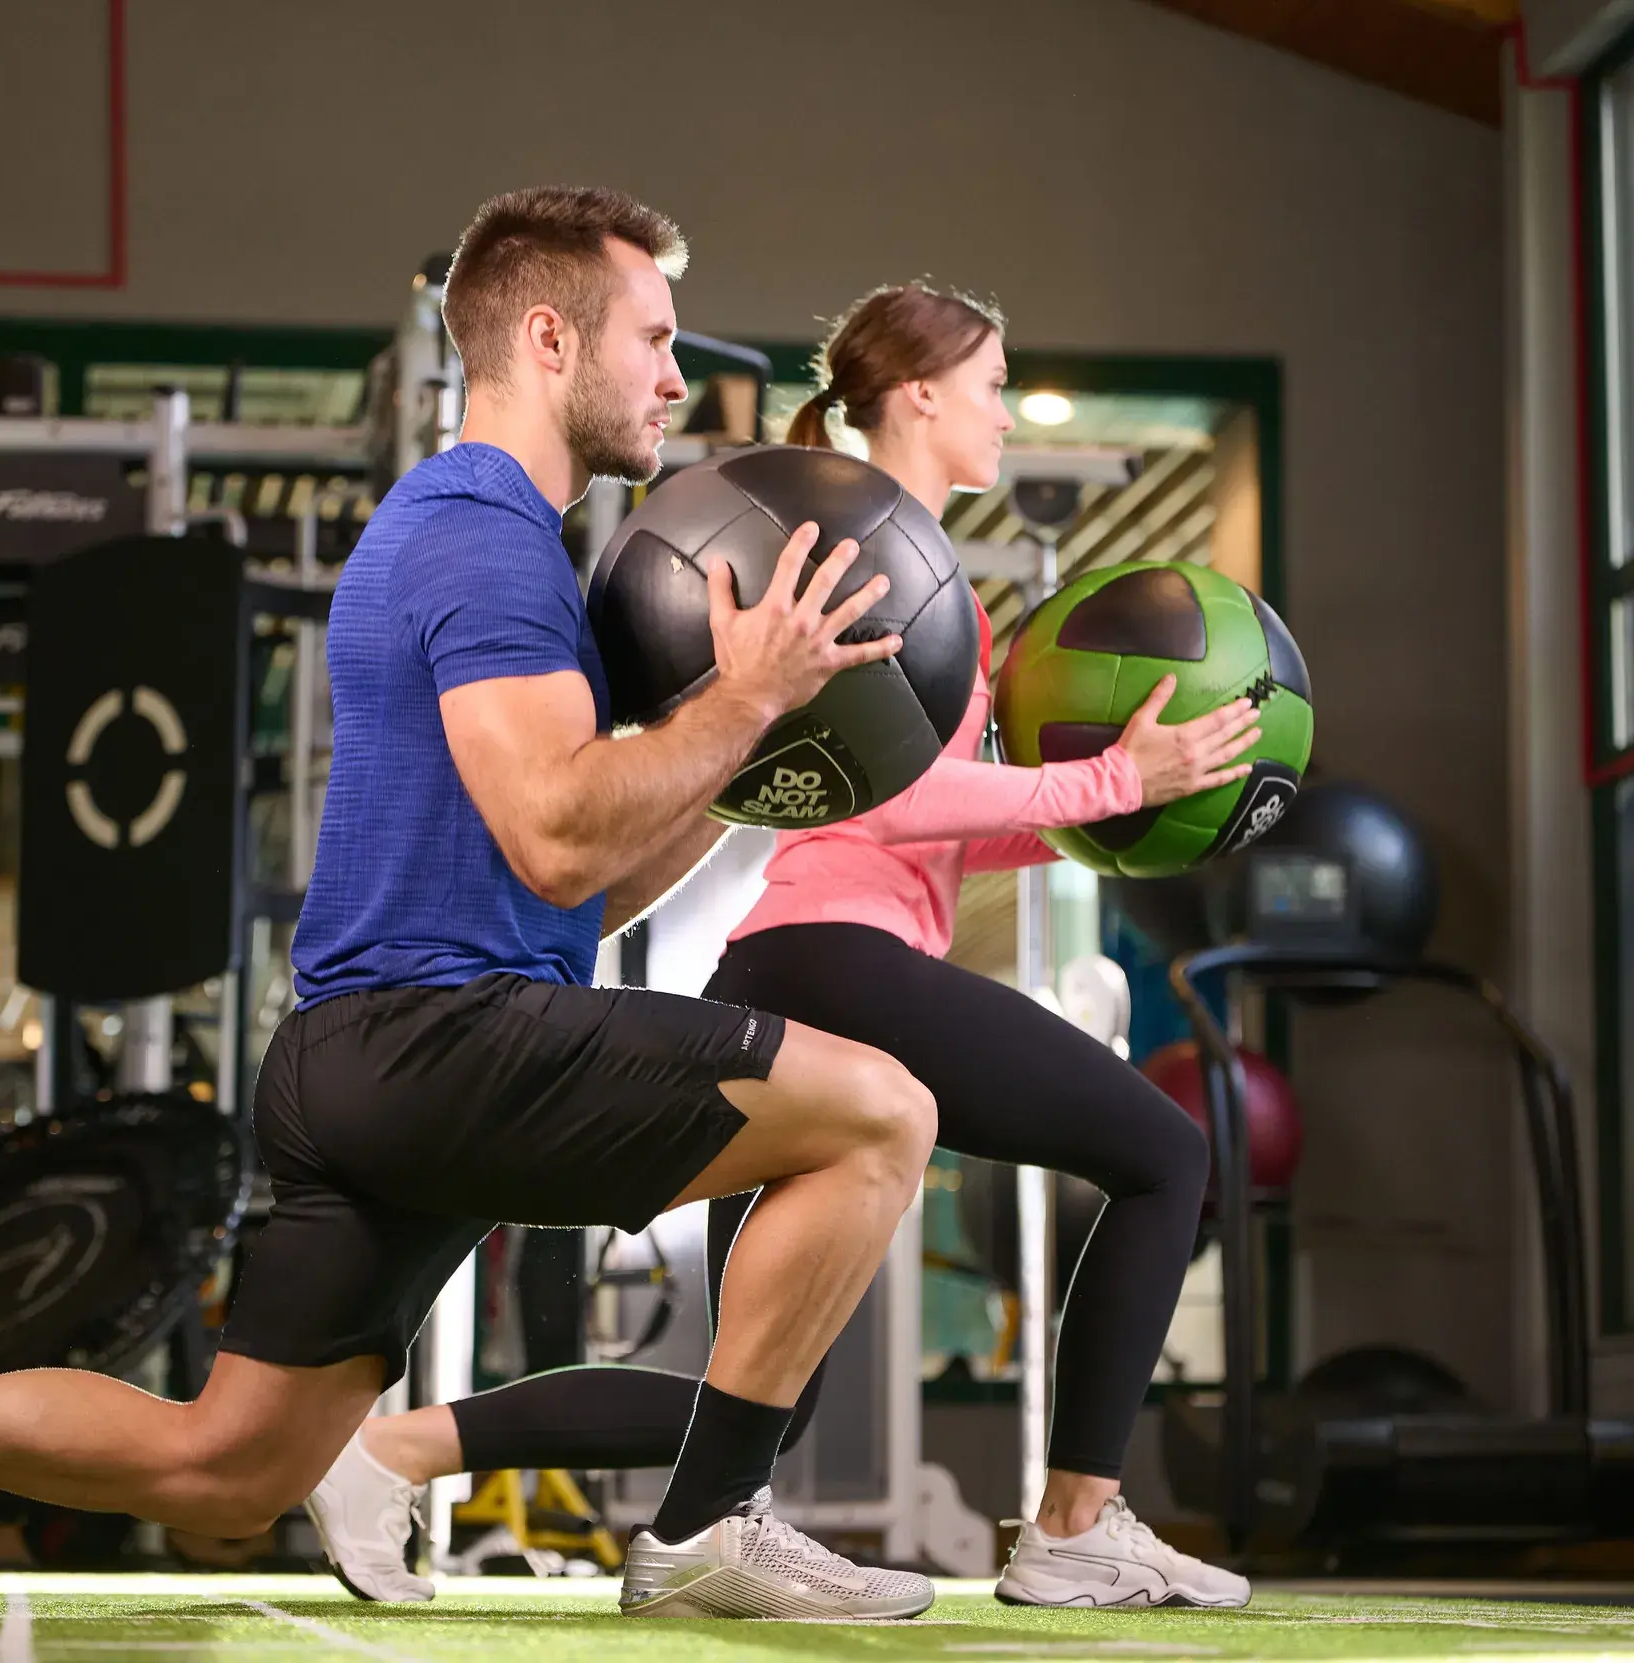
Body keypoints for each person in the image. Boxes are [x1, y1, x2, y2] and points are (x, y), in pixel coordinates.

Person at [0, 189, 952, 1623]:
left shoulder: (487, 537)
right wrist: (741, 697)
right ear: (548, 337)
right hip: (436, 1042)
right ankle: (713, 1523)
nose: (675, 375)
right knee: (883, 1112)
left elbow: (570, 890)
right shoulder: (483, 535)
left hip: (370, 1052)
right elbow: (553, 833)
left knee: (225, 1466)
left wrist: (742, 761)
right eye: (653, 338)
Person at [307, 284, 1263, 1610]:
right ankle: (1076, 1523)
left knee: (759, 1398)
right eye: (990, 381)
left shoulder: (926, 564)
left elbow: (933, 828)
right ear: (920, 393)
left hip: (813, 956)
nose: (1002, 408)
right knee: (1167, 1150)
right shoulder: (866, 546)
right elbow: (886, 795)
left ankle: (394, 1449)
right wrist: (1100, 787)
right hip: (838, 960)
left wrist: (1134, 814)